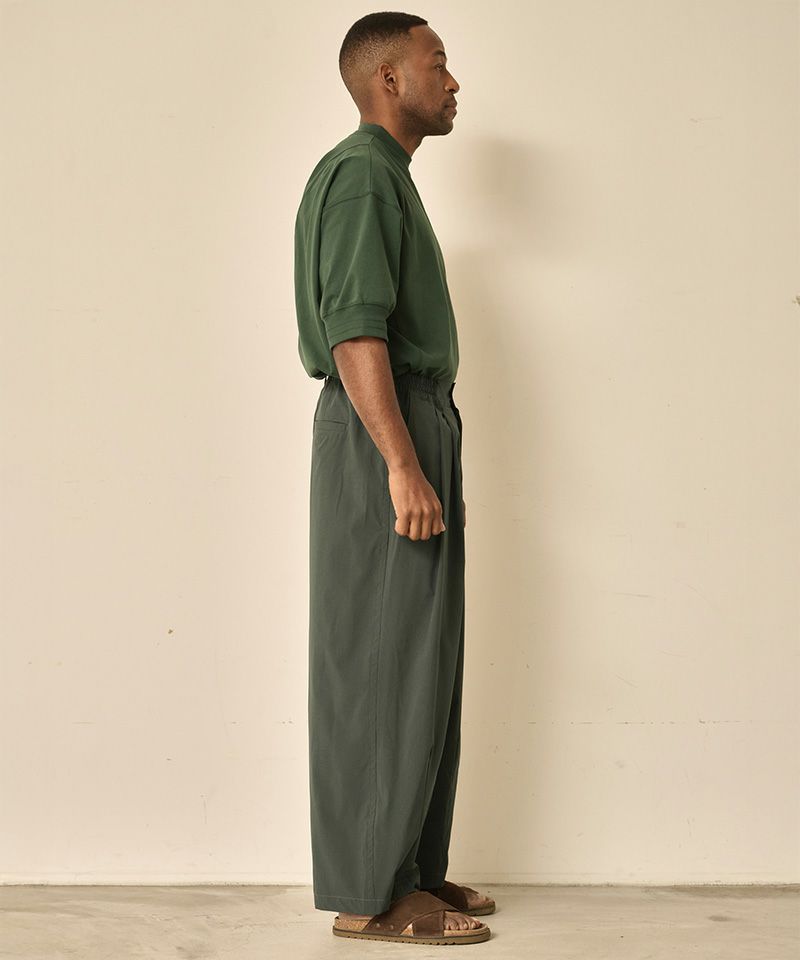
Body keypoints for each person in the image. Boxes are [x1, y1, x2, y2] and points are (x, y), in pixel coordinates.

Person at [293, 11, 494, 945]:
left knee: (419, 658)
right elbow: (353, 330)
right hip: (385, 431)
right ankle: (367, 895)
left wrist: (430, 453)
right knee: (376, 657)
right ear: (388, 80)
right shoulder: (363, 174)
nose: (452, 82)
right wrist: (403, 463)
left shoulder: (388, 178)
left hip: (415, 424)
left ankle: (407, 869)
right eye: (436, 64)